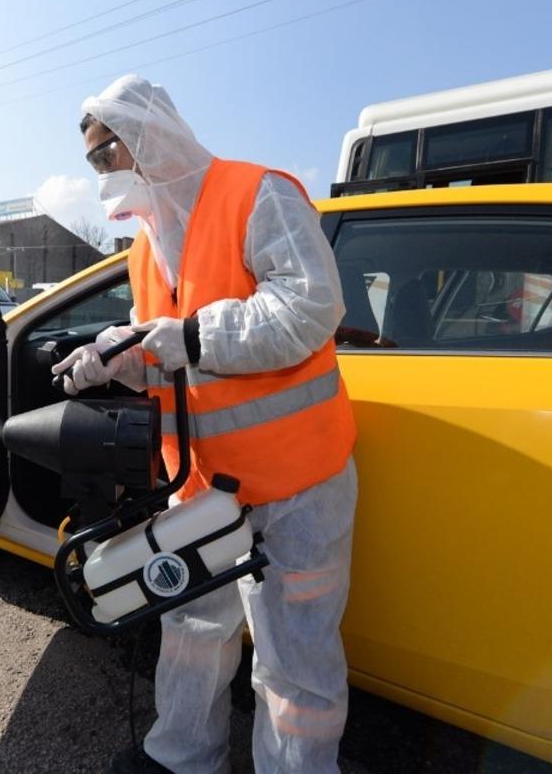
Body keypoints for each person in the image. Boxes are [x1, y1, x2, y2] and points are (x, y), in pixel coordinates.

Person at [50, 75, 359, 774]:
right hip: (202, 483)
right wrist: (115, 359)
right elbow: (166, 357)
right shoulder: (144, 244)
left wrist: (186, 337)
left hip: (296, 485)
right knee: (190, 624)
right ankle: (185, 756)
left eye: (106, 156)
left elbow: (310, 308)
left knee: (294, 658)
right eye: (93, 162)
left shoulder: (258, 194)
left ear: (146, 139)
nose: (100, 175)